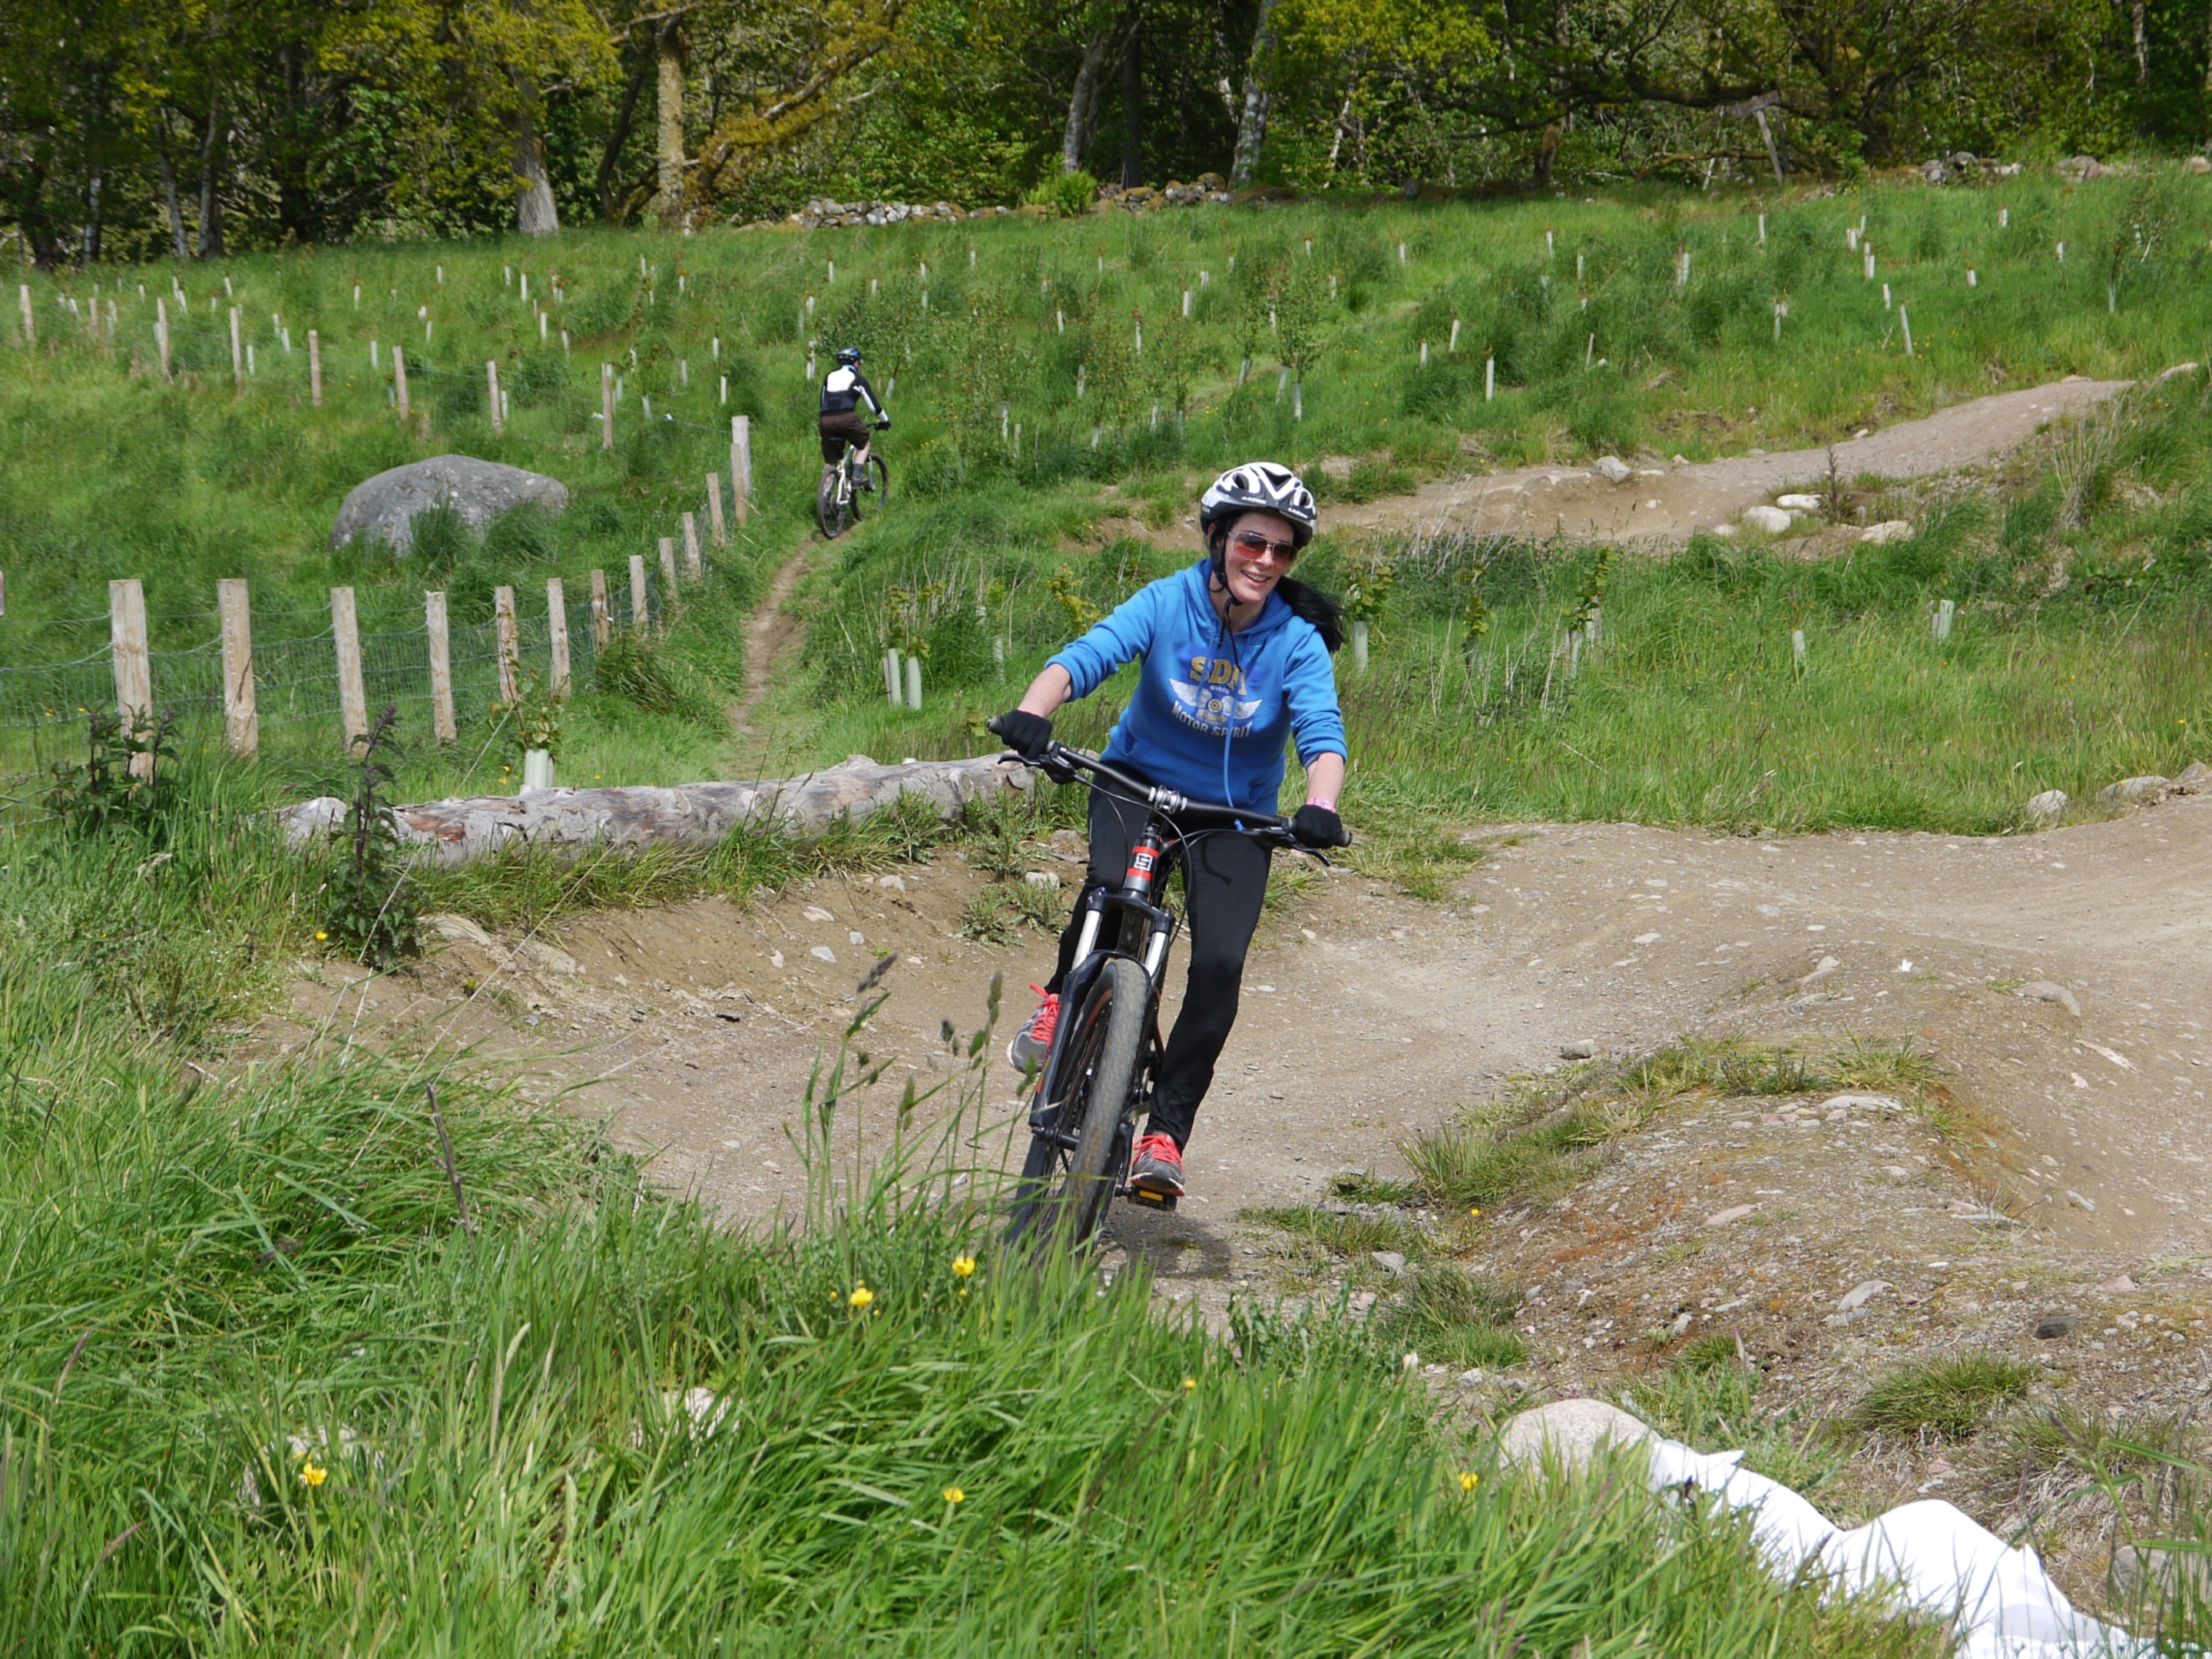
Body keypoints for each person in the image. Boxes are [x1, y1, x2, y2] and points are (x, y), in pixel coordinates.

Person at [992, 462, 1349, 1201]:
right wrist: (1034, 712)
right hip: (1134, 780)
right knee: (1108, 889)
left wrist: (1322, 805)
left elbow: (1320, 730)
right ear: (1217, 537)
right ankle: (1066, 994)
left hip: (1233, 816)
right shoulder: (1167, 601)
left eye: (1284, 552)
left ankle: (1163, 1136)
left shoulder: (1297, 640)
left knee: (1219, 964)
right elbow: (1090, 654)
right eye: (1253, 542)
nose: (1267, 562)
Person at [818, 346, 887, 468]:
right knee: (864, 442)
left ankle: (825, 486)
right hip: (846, 418)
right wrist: (885, 421)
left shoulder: (828, 377)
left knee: (830, 461)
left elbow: (822, 403)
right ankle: (856, 476)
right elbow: (874, 408)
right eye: (859, 363)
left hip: (825, 421)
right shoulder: (858, 379)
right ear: (855, 363)